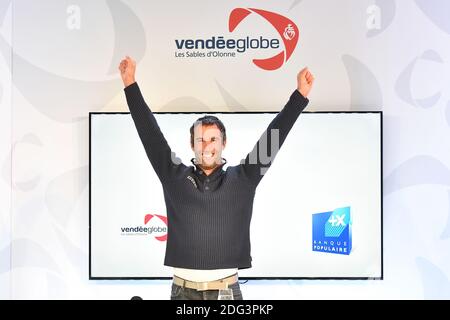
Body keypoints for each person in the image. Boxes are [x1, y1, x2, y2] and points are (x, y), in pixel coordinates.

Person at [118, 56, 314, 300]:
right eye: (200, 139)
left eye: (213, 139)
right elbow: (150, 133)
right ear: (192, 144)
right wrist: (130, 84)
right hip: (182, 293)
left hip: (226, 293)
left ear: (224, 143)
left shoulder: (243, 178)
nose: (206, 145)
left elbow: (272, 140)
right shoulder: (174, 176)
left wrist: (299, 96)